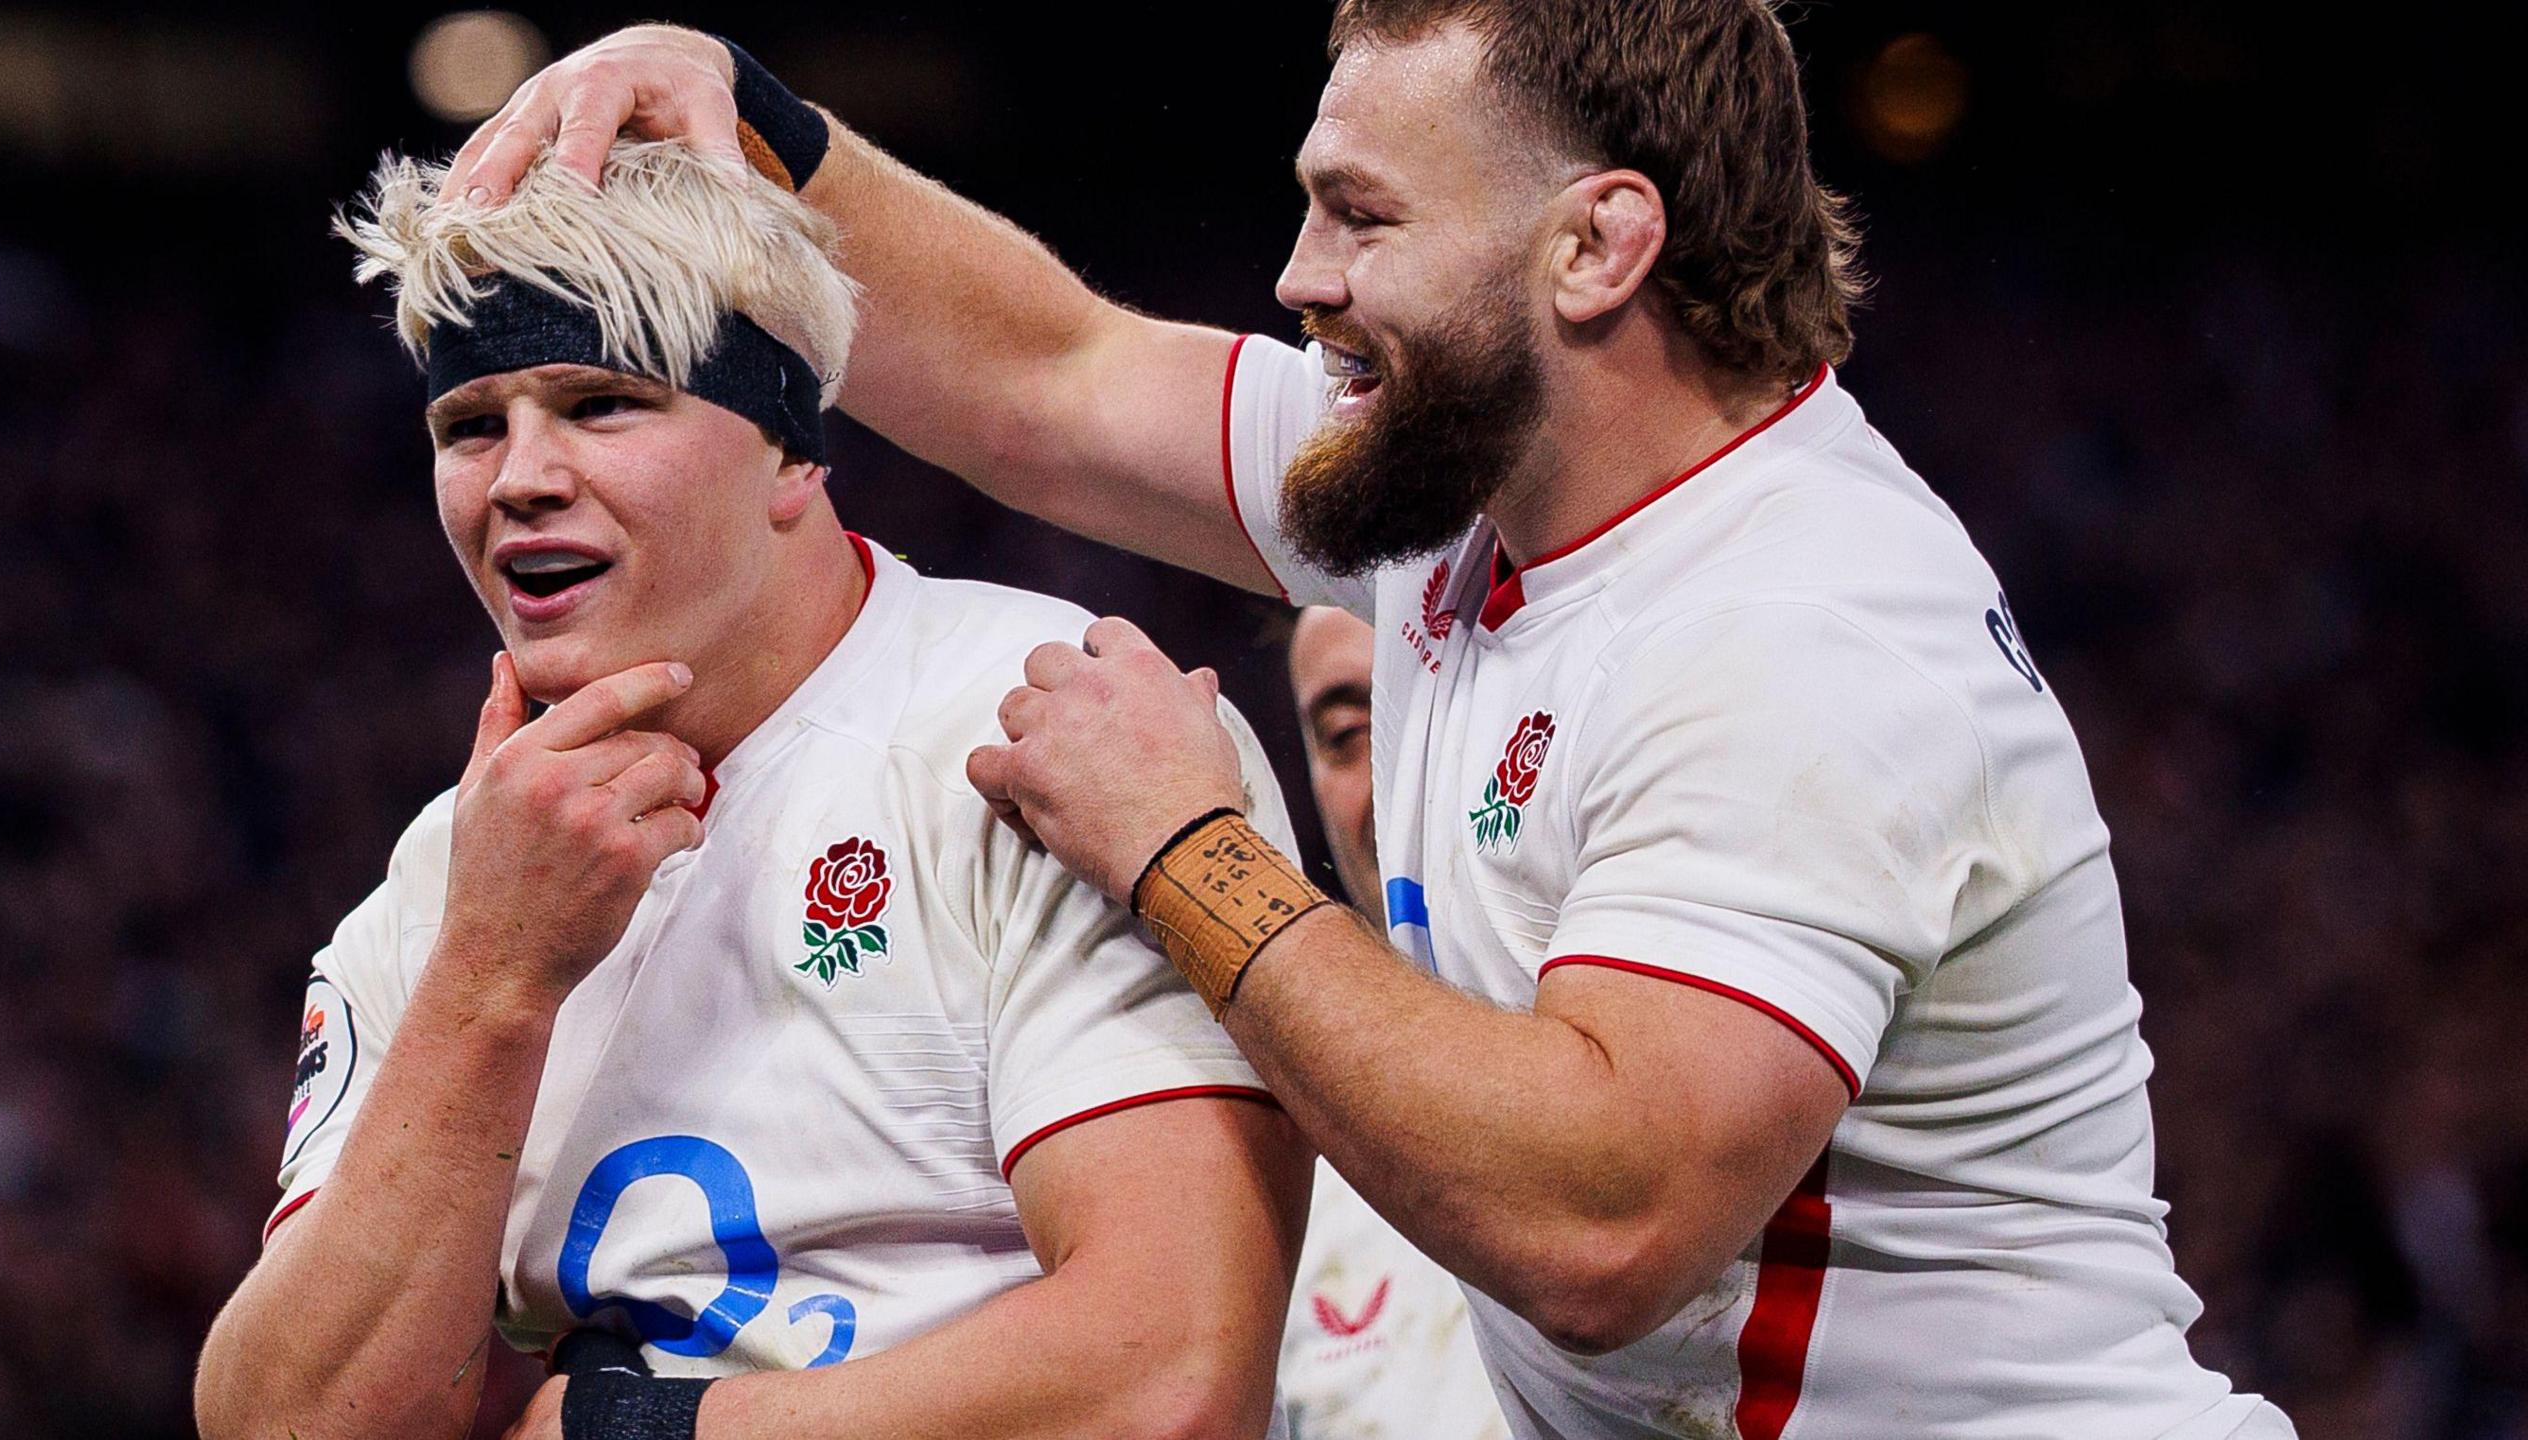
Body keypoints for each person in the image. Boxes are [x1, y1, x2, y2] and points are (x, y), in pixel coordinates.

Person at [452, 6, 2298, 1436]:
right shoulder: (1464, 491)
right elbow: (1052, 375)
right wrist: (757, 122)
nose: (1299, 276)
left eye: (1363, 215)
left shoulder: (1801, 625)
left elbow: (1607, 1228)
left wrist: (1192, 859)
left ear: (1598, 248)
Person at [192, 136, 1308, 1440]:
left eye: (602, 403)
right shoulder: (455, 881)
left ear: (792, 454)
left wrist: (638, 1431)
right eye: (469, 425)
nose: (521, 478)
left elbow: (1166, 1380)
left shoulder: (1052, 733)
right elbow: (284, 1427)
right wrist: (493, 984)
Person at [1278, 605, 1505, 1440]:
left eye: (1446, 693)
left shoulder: (1742, 1040)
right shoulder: (1269, 1160)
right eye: (1348, 731)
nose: (1401, 774)